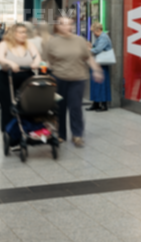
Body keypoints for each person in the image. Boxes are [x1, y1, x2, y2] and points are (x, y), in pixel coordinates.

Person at [43, 15, 103, 147]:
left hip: (78, 78)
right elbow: (47, 61)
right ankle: (60, 134)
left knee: (75, 107)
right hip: (59, 78)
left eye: (69, 24)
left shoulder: (80, 40)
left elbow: (88, 58)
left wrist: (96, 70)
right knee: (60, 108)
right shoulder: (52, 42)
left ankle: (77, 135)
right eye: (63, 24)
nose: (67, 27)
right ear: (58, 26)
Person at [0, 23, 41, 132]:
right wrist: (9, 62)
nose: (23, 34)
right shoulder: (4, 44)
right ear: (13, 33)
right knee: (8, 106)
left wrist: (36, 63)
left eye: (24, 32)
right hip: (7, 77)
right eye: (20, 32)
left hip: (26, 76)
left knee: (28, 105)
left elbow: (37, 57)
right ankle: (9, 132)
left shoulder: (29, 44)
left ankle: (27, 129)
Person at [87, 22, 113, 112]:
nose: (93, 33)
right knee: (96, 84)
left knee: (101, 85)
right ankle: (96, 103)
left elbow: (97, 49)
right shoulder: (100, 37)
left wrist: (89, 49)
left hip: (102, 64)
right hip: (98, 63)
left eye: (94, 31)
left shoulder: (104, 37)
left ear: (98, 30)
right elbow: (95, 47)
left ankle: (103, 105)